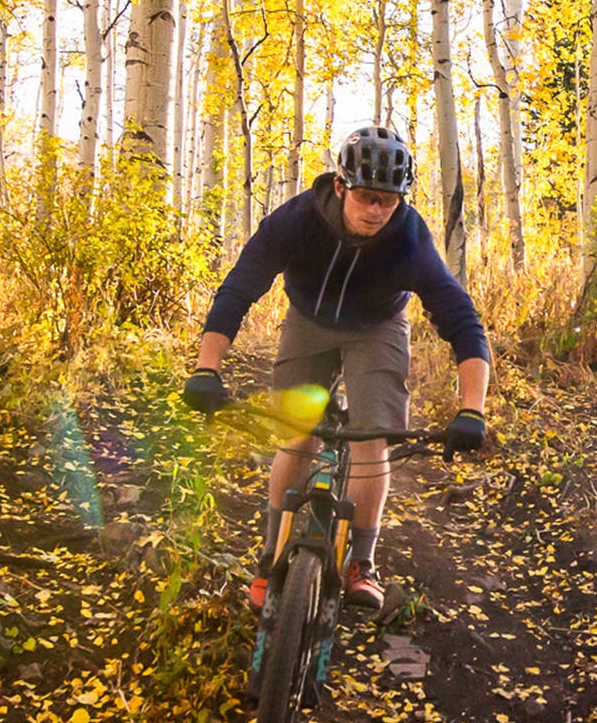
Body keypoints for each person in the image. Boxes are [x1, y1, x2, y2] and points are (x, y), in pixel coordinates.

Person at [181, 125, 490, 611]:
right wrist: (206, 369)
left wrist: (472, 409)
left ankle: (360, 562)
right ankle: (272, 554)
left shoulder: (409, 236)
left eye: (388, 200)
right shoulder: (297, 221)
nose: (376, 210)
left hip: (379, 327)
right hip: (309, 320)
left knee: (372, 438)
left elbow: (461, 319)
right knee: (298, 431)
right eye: (367, 196)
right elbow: (238, 290)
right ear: (341, 185)